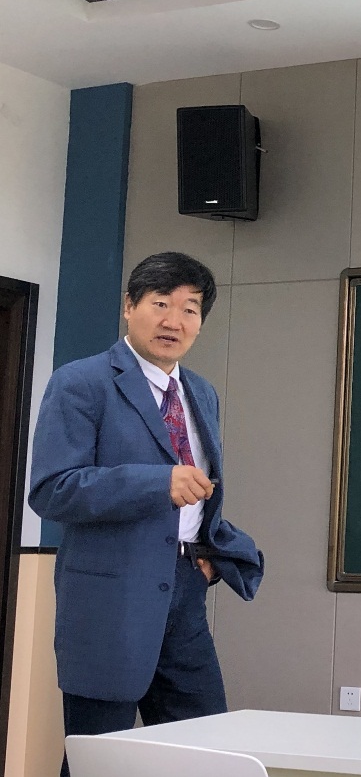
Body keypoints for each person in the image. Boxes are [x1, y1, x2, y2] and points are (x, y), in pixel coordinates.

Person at [29, 252, 263, 777]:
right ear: (129, 307)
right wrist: (157, 484)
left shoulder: (201, 393)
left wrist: (206, 554)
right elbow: (52, 490)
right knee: (100, 761)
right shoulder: (81, 382)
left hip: (185, 594)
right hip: (110, 600)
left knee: (206, 756)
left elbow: (202, 495)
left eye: (189, 309)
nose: (173, 321)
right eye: (160, 304)